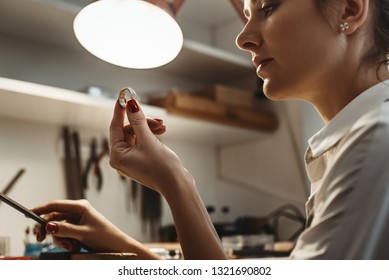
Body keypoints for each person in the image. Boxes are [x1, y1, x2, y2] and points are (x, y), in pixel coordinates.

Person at [33, 0, 389, 259]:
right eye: (246, 14)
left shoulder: (375, 138)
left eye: (266, 7)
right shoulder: (359, 138)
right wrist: (125, 247)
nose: (243, 38)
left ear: (349, 9)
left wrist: (175, 183)